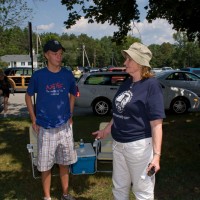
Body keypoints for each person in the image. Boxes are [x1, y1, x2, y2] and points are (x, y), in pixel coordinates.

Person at [92, 42, 165, 200]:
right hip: (119, 144)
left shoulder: (151, 86)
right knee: (119, 187)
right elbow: (119, 111)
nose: (125, 63)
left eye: (129, 59)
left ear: (140, 63)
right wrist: (107, 129)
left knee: (142, 190)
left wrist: (157, 156)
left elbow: (157, 124)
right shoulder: (127, 82)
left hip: (139, 147)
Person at [25, 39, 77, 200]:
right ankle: (47, 197)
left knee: (64, 163)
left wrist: (70, 115)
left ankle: (65, 194)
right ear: (46, 55)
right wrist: (33, 119)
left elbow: (73, 94)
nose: (58, 56)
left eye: (60, 53)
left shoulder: (67, 74)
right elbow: (28, 96)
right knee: (45, 165)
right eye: (55, 53)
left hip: (64, 127)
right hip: (45, 127)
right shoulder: (38, 76)